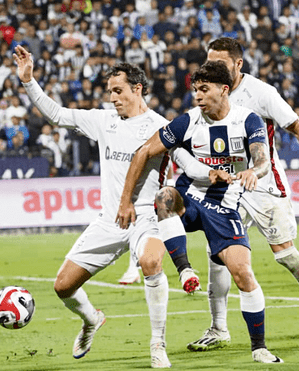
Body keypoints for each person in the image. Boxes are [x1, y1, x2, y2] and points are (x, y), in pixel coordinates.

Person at [150, 37, 299, 351]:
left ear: (238, 64)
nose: (212, 68)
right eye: (209, 62)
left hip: (263, 184)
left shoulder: (262, 93)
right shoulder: (209, 90)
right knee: (218, 256)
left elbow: (297, 127)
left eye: (220, 63)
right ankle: (218, 328)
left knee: (285, 253)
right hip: (223, 187)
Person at [14, 45, 172, 368]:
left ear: (137, 88)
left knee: (152, 260)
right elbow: (57, 114)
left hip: (144, 218)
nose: (112, 98)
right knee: (63, 286)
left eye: (118, 91)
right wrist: (29, 81)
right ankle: (91, 320)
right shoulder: (103, 121)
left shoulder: (161, 126)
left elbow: (185, 161)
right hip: (110, 221)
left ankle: (158, 343)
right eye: (109, 92)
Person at [117, 60, 282, 364]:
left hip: (226, 205)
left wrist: (253, 173)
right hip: (191, 197)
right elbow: (144, 151)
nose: (198, 96)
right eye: (195, 90)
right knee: (165, 195)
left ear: (224, 89)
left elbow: (262, 161)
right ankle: (184, 270)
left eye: (204, 90)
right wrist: (126, 199)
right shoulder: (187, 122)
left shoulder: (249, 120)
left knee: (243, 273)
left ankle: (259, 348)